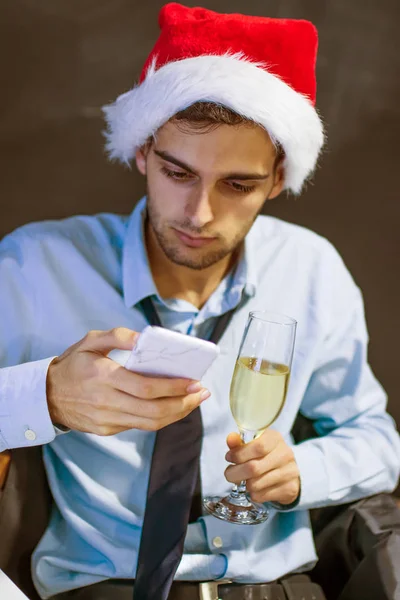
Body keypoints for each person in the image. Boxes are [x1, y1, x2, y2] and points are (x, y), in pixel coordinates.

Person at [0, 3, 399, 599]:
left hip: (281, 589)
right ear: (142, 151)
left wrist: (302, 474)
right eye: (177, 172)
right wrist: (47, 395)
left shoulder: (312, 269)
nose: (199, 213)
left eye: (237, 185)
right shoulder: (34, 266)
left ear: (280, 177)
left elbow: (374, 437)